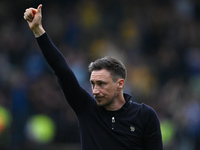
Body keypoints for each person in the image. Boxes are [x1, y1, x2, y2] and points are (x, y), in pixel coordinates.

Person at [24, 4, 163, 150]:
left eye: (101, 84)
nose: (95, 90)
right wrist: (38, 30)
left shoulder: (144, 115)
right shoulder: (86, 109)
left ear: (120, 84)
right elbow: (62, 70)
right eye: (93, 84)